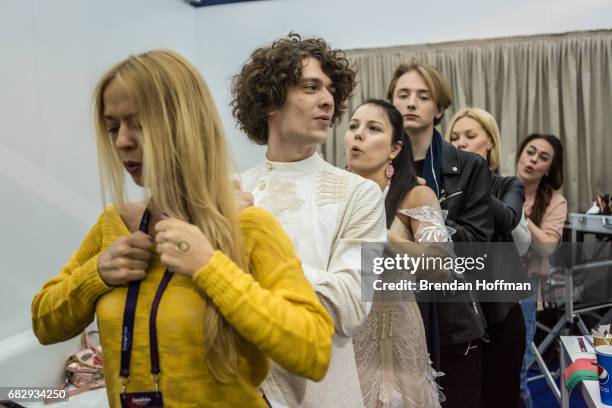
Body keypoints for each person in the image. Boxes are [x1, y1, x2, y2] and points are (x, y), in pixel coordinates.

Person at [31, 49, 335, 408]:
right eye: (113, 127)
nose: (121, 142)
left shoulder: (249, 227)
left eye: (138, 124)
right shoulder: (114, 225)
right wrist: (95, 274)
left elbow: (313, 351)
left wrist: (210, 266)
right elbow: (44, 323)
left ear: (184, 123)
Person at [233, 34, 387, 408]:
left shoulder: (359, 195)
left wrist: (253, 265)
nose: (328, 100)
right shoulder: (229, 191)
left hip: (316, 395)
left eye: (331, 90)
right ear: (270, 100)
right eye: (310, 87)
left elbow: (351, 305)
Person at [387, 62, 493, 407]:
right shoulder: (372, 166)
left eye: (423, 96)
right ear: (391, 102)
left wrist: (425, 214)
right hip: (389, 321)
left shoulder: (469, 167)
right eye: (403, 95)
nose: (411, 103)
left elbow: (477, 246)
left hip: (452, 322)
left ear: (439, 108)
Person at [346, 99, 454, 408]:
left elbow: (439, 263)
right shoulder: (333, 195)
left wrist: (382, 235)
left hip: (395, 336)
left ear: (394, 149)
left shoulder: (416, 194)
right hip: (343, 337)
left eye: (373, 128)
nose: (358, 134)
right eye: (353, 126)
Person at [446, 107, 527, 407]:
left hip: (501, 315)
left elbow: (507, 218)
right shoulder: (444, 189)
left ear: (490, 142)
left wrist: (473, 179)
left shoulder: (508, 185)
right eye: (453, 137)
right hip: (458, 320)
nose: (460, 143)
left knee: (501, 398)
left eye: (470, 136)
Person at [515, 133, 567, 408]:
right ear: (520, 154)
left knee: (517, 372)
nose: (533, 159)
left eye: (542, 157)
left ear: (549, 169)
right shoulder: (496, 185)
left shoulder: (555, 202)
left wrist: (517, 212)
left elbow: (546, 247)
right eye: (530, 151)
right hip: (488, 284)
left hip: (525, 288)